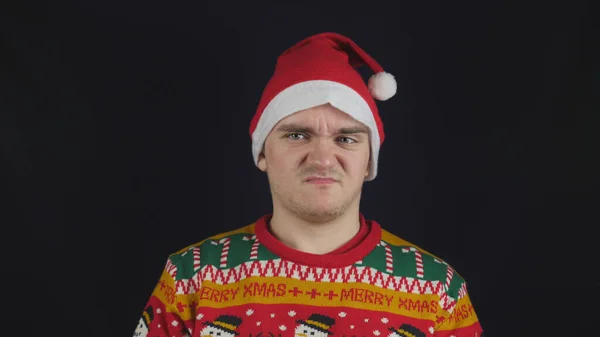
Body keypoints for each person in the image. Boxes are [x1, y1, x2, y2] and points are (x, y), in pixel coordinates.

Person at [132, 32, 484, 337]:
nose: (322, 158)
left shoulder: (437, 290)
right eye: (298, 135)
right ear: (262, 153)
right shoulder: (191, 277)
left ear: (369, 162)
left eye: (346, 139)